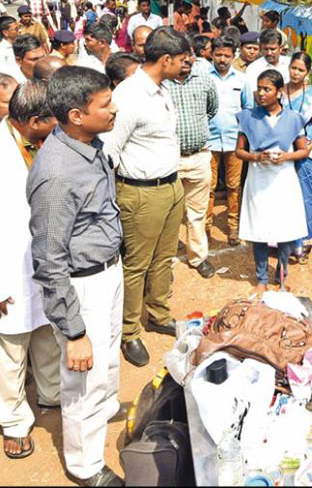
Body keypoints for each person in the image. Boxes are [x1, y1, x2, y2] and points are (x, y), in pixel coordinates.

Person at [27, 66, 124, 486]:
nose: (114, 108)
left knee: (103, 367)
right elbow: (49, 260)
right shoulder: (58, 173)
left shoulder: (89, 144)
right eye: (105, 104)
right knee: (83, 378)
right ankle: (84, 465)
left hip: (107, 273)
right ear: (77, 115)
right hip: (82, 286)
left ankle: (101, 415)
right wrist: (73, 330)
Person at [103, 27, 189, 368]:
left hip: (170, 187)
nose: (186, 65)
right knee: (136, 264)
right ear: (165, 60)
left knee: (164, 257)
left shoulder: (160, 88)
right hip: (140, 194)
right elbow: (109, 153)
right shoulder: (129, 96)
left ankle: (158, 313)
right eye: (182, 59)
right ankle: (128, 333)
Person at [0, 80, 60, 461]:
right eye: (52, 119)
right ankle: (14, 421)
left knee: (47, 334)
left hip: (45, 259)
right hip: (8, 267)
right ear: (33, 120)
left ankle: (52, 393)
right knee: (10, 353)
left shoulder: (46, 143)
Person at [236, 70, 309, 292]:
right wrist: (256, 157)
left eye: (267, 89)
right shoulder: (248, 117)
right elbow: (239, 151)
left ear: (279, 92)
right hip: (258, 177)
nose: (261, 93)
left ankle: (282, 271)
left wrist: (287, 156)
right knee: (258, 228)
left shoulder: (294, 119)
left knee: (285, 227)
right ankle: (261, 278)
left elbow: (303, 151)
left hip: (283, 178)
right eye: (259, 88)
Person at [163, 45, 219, 279]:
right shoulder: (162, 84)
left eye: (189, 55)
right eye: (180, 56)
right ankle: (166, 262)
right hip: (169, 159)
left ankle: (198, 257)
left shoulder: (204, 79)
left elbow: (212, 109)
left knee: (197, 212)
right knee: (168, 212)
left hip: (198, 156)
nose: (186, 60)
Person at [282, 52, 312, 263]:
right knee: (286, 195)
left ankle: (306, 240)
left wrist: (310, 146)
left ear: (307, 72)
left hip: (306, 154)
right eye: (294, 68)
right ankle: (286, 239)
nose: (296, 73)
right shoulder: (281, 91)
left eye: (301, 70)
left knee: (307, 195)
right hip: (283, 151)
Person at [207, 36, 253, 246]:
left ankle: (233, 227)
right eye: (218, 55)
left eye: (227, 55)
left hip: (235, 141)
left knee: (234, 186)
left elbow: (248, 110)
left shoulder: (242, 79)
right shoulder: (204, 77)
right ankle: (205, 228)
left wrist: (244, 136)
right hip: (209, 141)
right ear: (212, 54)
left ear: (233, 55)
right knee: (208, 187)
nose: (222, 59)